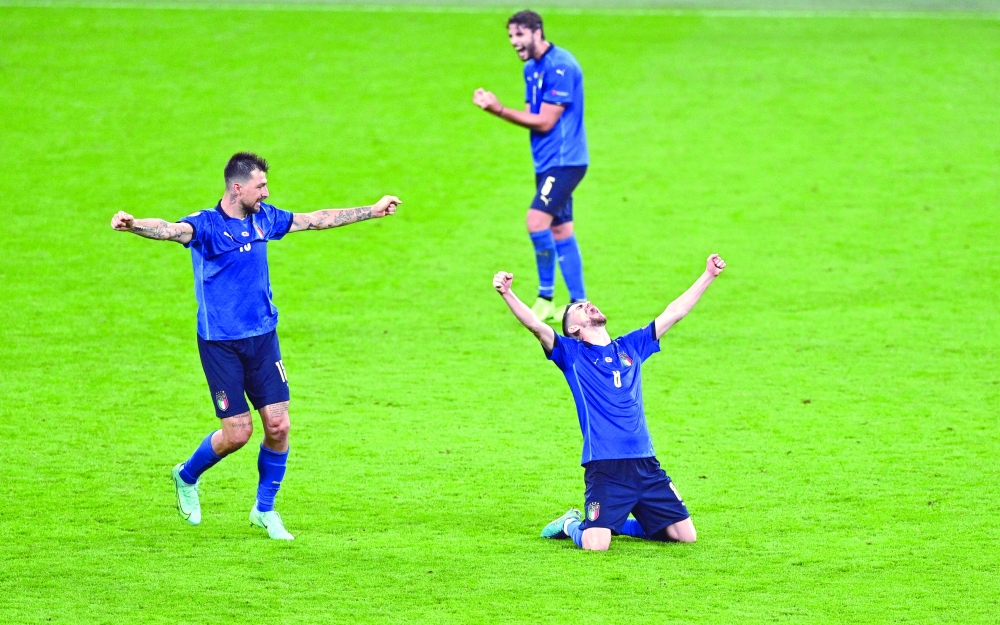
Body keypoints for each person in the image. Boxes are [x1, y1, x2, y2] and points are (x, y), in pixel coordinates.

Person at [110, 152, 400, 540]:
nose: (266, 191)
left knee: (278, 426)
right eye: (260, 185)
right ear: (237, 187)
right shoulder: (207, 225)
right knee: (238, 434)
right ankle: (186, 475)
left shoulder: (265, 218)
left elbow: (314, 219)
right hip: (221, 344)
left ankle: (265, 510)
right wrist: (133, 226)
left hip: (263, 338)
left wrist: (373, 210)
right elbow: (169, 229)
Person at [492, 254, 727, 550]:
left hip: (645, 463)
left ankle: (621, 524)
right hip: (605, 466)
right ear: (574, 330)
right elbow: (535, 325)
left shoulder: (631, 346)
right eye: (578, 308)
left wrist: (708, 275)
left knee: (684, 536)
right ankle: (570, 523)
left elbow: (674, 312)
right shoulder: (571, 355)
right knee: (596, 545)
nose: (586, 304)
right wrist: (507, 293)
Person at [474, 9, 589, 323]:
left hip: (566, 161)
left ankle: (545, 297)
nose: (514, 42)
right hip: (547, 161)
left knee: (536, 221)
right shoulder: (531, 69)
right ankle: (580, 303)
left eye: (519, 35)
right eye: (511, 36)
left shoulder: (561, 66)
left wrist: (497, 110)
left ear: (537, 32)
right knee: (561, 229)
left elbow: (544, 121)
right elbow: (530, 112)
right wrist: (501, 111)